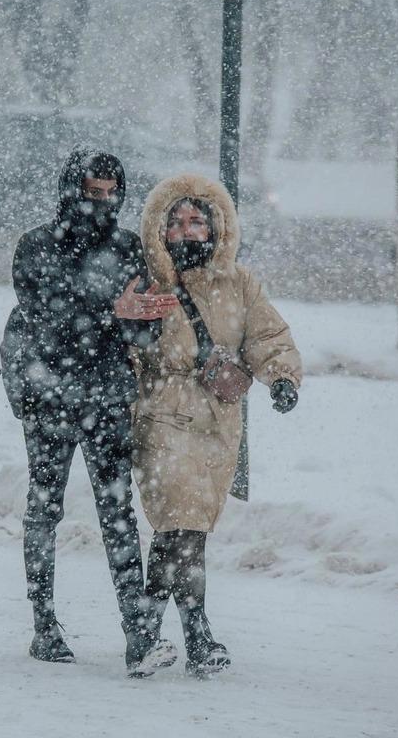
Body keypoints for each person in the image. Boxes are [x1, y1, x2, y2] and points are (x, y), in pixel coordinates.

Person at [7, 148, 179, 676]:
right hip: (50, 397)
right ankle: (44, 624)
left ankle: (138, 633)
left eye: (111, 194)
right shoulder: (36, 245)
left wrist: (146, 316)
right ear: (69, 190)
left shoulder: (129, 248)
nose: (102, 203)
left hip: (105, 399)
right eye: (92, 192)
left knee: (119, 513)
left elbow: (136, 329)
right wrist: (112, 311)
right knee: (45, 506)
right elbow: (45, 315)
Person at [131, 173, 302, 677]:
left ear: (217, 227)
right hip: (163, 414)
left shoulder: (240, 284)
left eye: (198, 221)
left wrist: (283, 376)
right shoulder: (146, 280)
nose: (188, 230)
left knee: (186, 529)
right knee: (181, 522)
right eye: (177, 221)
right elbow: (123, 346)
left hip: (217, 424)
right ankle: (195, 633)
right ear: (159, 228)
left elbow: (268, 334)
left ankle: (148, 630)